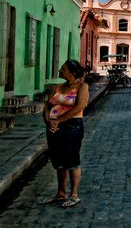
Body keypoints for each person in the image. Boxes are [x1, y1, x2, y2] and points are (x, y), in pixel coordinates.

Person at [39, 59, 89, 208]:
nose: (60, 71)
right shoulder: (58, 87)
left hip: (72, 126)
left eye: (63, 69)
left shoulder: (82, 87)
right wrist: (48, 121)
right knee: (58, 161)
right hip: (54, 128)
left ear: (72, 73)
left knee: (72, 159)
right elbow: (48, 106)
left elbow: (79, 107)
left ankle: (74, 194)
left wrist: (58, 120)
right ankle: (61, 193)